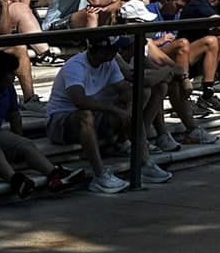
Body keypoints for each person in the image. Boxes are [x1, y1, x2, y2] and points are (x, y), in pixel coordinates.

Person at [47, 33, 174, 193]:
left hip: (96, 117)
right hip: (61, 122)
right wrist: (115, 110)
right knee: (85, 115)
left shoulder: (110, 63)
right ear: (100, 50)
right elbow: (79, 101)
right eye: (112, 49)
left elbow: (125, 89)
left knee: (131, 107)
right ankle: (100, 175)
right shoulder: (76, 66)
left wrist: (128, 109)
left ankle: (144, 163)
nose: (116, 52)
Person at [0, 50, 84, 194]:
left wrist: (18, 138)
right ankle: (16, 180)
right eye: (10, 73)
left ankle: (53, 174)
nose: (14, 76)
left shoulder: (8, 90)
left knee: (25, 144)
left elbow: (14, 115)